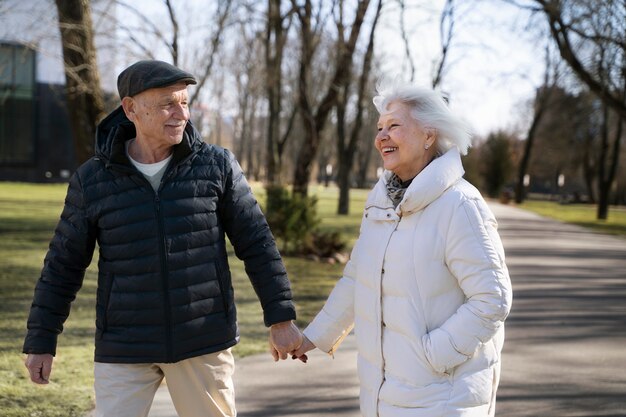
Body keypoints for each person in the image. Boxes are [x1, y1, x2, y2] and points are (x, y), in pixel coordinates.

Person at [23, 60, 302, 417]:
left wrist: (281, 319)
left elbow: (258, 244)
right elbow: (63, 265)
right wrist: (42, 340)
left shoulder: (216, 165)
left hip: (202, 341)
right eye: (168, 103)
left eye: (184, 102)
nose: (181, 113)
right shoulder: (93, 179)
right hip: (124, 344)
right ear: (130, 108)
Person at [291, 84, 513, 417]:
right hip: (384, 394)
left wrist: (430, 355)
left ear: (428, 135)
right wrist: (313, 336)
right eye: (379, 128)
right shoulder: (379, 202)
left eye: (394, 125)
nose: (382, 136)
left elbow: (493, 299)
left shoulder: (461, 205)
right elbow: (358, 279)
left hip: (443, 398)